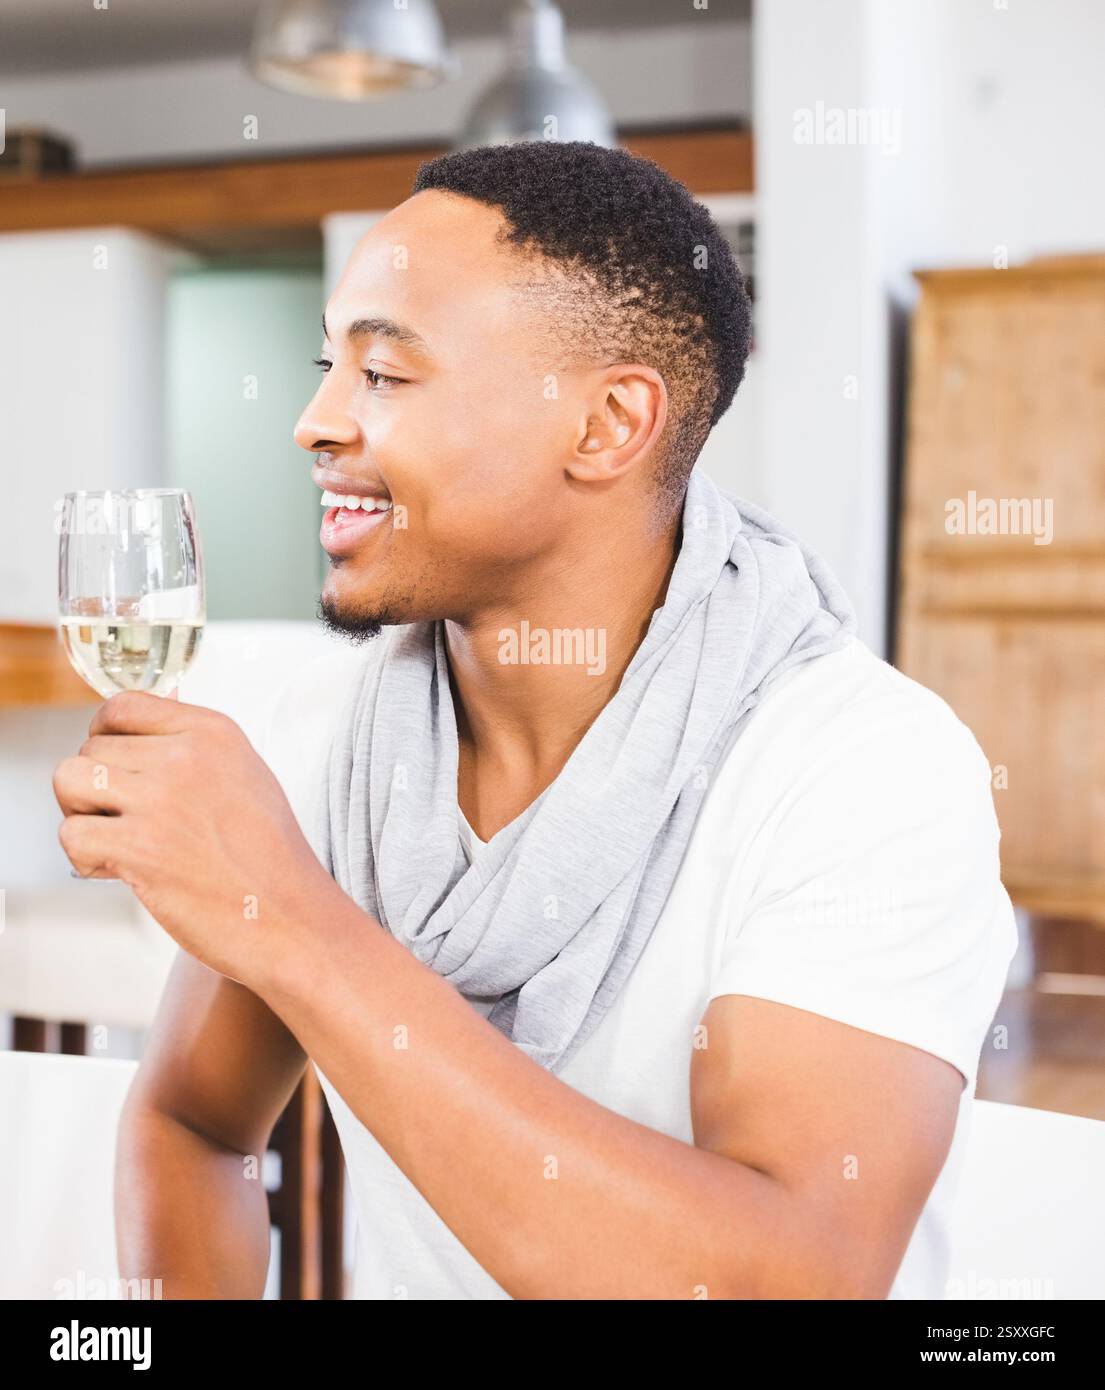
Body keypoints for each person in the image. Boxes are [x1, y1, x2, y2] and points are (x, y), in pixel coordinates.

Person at [55, 140, 1017, 1299]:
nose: (313, 422)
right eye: (326, 366)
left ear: (607, 425)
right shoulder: (339, 744)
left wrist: (299, 925)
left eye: (385, 376)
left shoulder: (862, 771)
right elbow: (191, 1121)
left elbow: (788, 1280)